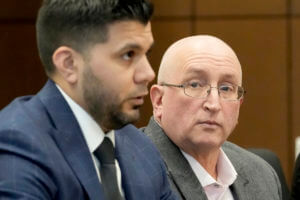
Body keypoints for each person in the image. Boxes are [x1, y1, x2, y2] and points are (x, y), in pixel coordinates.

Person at [0, 0, 178, 199]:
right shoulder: (17, 143)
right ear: (69, 64)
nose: (148, 73)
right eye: (128, 55)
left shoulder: (141, 147)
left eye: (147, 54)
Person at [142, 35, 282, 200]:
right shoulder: (131, 171)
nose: (214, 104)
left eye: (225, 88)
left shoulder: (262, 175)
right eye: (195, 85)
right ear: (159, 100)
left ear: (239, 103)